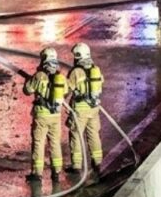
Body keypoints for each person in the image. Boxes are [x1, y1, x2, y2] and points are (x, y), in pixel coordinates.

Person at [22, 47, 67, 182]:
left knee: (39, 143)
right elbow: (65, 92)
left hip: (41, 115)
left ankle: (37, 173)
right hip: (56, 116)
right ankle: (56, 172)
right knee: (55, 143)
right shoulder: (60, 76)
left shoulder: (39, 75)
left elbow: (27, 90)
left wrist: (30, 80)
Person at [65, 43, 105, 175]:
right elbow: (100, 84)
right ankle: (98, 162)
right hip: (94, 108)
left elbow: (66, 89)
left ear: (77, 56)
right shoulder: (95, 69)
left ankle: (76, 165)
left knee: (76, 135)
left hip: (80, 109)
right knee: (93, 134)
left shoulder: (76, 72)